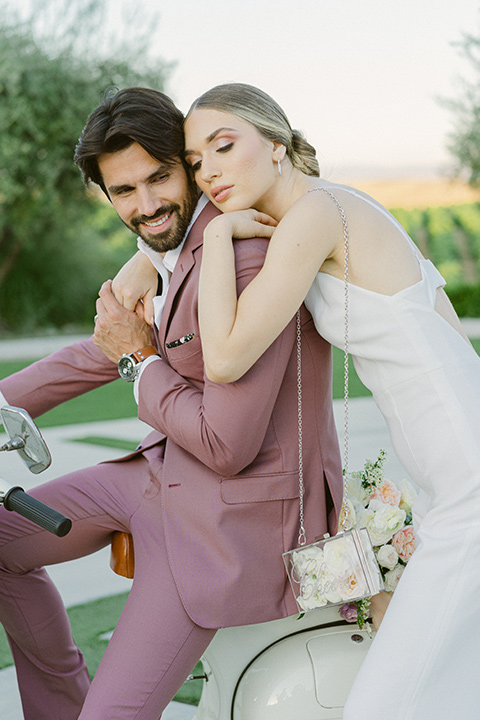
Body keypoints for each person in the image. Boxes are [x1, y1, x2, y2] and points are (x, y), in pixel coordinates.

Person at [116, 83, 480, 720]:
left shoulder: (314, 216)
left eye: (225, 146)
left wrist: (222, 237)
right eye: (198, 162)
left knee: (391, 697)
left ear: (278, 143)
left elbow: (225, 357)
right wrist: (147, 257)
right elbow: (446, 326)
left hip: (466, 477)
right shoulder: (337, 209)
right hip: (449, 469)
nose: (211, 171)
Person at [0, 86, 343, 720]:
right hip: (158, 477)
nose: (147, 204)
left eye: (159, 178)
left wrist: (139, 359)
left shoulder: (244, 257)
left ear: (188, 165)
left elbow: (226, 444)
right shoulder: (177, 249)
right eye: (123, 192)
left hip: (221, 518)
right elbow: (108, 345)